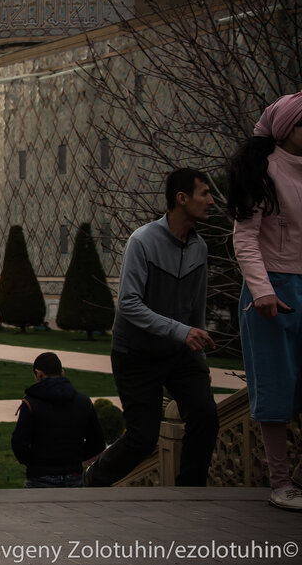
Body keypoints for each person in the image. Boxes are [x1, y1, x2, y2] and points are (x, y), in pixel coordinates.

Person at [84, 168, 218, 488]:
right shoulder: (142, 241)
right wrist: (180, 331)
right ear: (181, 199)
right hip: (137, 353)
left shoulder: (200, 248)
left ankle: (190, 494)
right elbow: (128, 304)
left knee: (206, 417)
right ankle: (91, 483)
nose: (211, 201)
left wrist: (195, 347)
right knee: (142, 439)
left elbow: (196, 310)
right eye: (204, 193)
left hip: (180, 352)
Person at [229, 91, 302, 511]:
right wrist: (263, 291)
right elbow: (245, 237)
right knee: (275, 389)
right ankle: (280, 483)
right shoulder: (262, 172)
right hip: (271, 294)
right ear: (288, 129)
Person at [11, 352, 105, 488]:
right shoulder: (83, 401)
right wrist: (76, 458)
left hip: (40, 476)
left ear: (38, 374)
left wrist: (34, 462)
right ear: (62, 372)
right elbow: (97, 442)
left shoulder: (31, 403)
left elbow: (19, 443)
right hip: (74, 476)